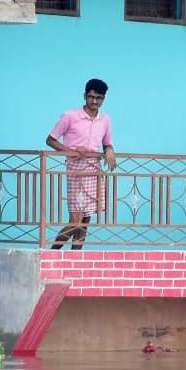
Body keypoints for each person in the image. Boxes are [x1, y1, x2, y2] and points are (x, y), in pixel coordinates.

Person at [45, 78, 116, 250]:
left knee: (84, 223)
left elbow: (107, 143)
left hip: (94, 171)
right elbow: (50, 140)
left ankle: (74, 262)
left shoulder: (105, 120)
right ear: (84, 96)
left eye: (99, 98)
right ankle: (52, 255)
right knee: (75, 222)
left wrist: (109, 150)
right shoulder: (70, 116)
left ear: (103, 99)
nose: (94, 101)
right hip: (76, 171)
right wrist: (71, 150)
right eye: (91, 97)